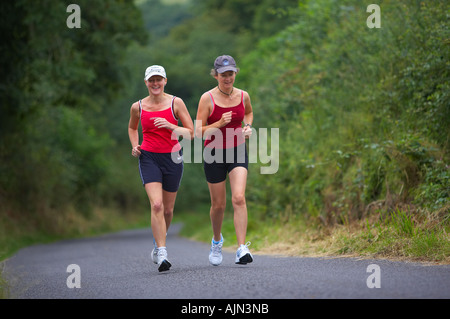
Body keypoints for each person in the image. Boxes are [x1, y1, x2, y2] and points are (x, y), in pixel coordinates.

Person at [128, 65, 194, 272]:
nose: (155, 84)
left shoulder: (176, 103)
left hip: (173, 158)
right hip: (148, 158)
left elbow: (191, 132)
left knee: (167, 209)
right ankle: (162, 251)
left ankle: (158, 243)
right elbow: (132, 127)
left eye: (159, 79)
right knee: (156, 205)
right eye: (151, 80)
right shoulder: (137, 107)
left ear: (165, 81)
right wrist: (134, 145)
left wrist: (171, 126)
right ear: (146, 82)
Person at [195, 55, 254, 266]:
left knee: (239, 198)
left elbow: (248, 113)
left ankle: (241, 248)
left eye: (230, 74)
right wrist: (219, 123)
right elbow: (197, 131)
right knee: (218, 205)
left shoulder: (243, 95)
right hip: (213, 153)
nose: (227, 78)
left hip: (237, 149)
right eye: (223, 75)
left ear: (235, 73)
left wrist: (247, 126)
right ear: (216, 75)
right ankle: (217, 241)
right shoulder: (207, 99)